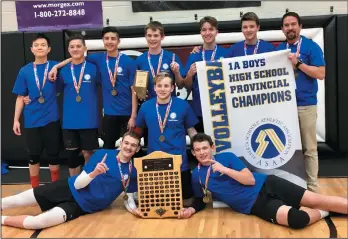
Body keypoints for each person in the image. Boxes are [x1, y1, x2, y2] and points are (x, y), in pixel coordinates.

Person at [177, 133, 347, 229]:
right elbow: (200, 199)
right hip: (255, 205)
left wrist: (225, 170)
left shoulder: (226, 157)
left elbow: (250, 180)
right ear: (193, 153)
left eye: (205, 148)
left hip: (268, 184)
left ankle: (325, 206)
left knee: (320, 200)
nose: (202, 152)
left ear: (212, 148)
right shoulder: (196, 175)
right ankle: (327, 212)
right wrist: (191, 209)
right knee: (297, 220)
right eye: (198, 150)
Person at [1, 131, 143, 230]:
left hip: (81, 207)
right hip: (67, 188)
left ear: (137, 149)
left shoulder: (133, 170)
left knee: (38, 222)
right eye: (127, 143)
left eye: (133, 145)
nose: (128, 147)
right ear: (121, 143)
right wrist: (94, 173)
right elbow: (78, 184)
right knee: (14, 200)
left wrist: (134, 210)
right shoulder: (103, 154)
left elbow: (128, 197)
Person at [48, 27, 138, 150]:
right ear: (103, 40)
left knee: (132, 146)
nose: (109, 41)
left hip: (128, 113)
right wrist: (56, 67)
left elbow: (135, 91)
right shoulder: (98, 59)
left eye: (113, 39)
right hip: (110, 113)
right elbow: (76, 58)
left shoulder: (129, 62)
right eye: (106, 38)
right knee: (108, 149)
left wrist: (133, 116)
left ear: (118, 41)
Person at [276, 12, 326, 192]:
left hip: (305, 105)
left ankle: (312, 189)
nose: (290, 28)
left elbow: (321, 73)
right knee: (287, 149)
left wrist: (298, 64)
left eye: (293, 24)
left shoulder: (311, 47)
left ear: (300, 26)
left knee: (309, 149)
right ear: (282, 29)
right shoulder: (279, 51)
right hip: (284, 107)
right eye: (286, 25)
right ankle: (293, 187)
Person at [134, 72, 198, 203]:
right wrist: (128, 143)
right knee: (156, 202)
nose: (163, 89)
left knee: (186, 201)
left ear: (172, 88)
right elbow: (138, 131)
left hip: (179, 162)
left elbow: (191, 131)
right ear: (154, 88)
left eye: (166, 86)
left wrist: (202, 147)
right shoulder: (146, 107)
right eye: (159, 86)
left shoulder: (183, 105)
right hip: (154, 162)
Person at [12, 33, 62, 188]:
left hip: (51, 119)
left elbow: (74, 59)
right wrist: (15, 120)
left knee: (54, 156)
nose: (40, 47)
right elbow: (20, 97)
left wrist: (57, 67)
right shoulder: (25, 71)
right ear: (31, 49)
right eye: (36, 45)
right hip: (32, 120)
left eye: (43, 45)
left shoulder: (55, 66)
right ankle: (34, 190)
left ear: (49, 49)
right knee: (33, 157)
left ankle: (54, 189)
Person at [184, 16, 229, 132]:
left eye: (211, 29)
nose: (207, 33)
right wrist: (189, 75)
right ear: (200, 32)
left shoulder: (227, 54)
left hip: (221, 110)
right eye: (204, 30)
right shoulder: (194, 55)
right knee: (201, 147)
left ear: (216, 32)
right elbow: (187, 86)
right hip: (199, 110)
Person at [136, 21, 185, 101]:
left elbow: (181, 85)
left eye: (156, 36)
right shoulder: (140, 60)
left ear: (162, 37)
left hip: (169, 105)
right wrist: (140, 92)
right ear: (145, 36)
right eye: (149, 35)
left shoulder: (172, 58)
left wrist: (176, 72)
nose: (152, 39)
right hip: (149, 106)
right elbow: (137, 89)